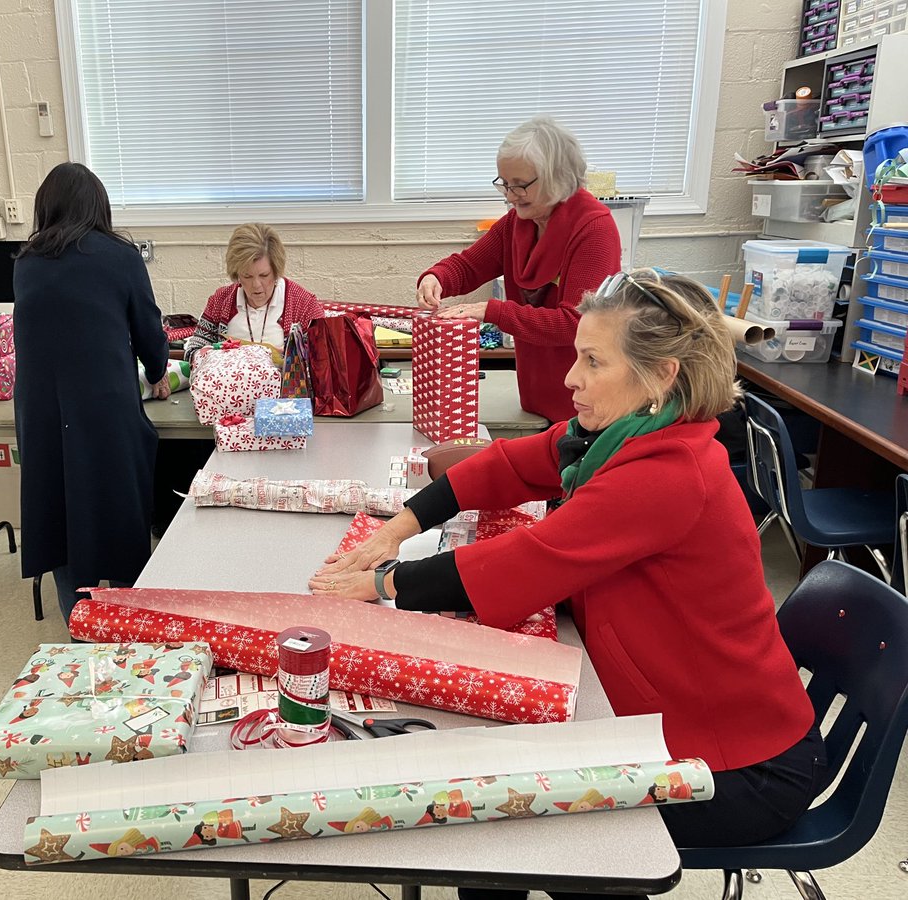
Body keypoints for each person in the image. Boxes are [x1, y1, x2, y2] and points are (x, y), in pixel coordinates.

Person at [312, 271, 825, 900]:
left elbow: (528, 561)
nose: (568, 378)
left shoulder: (670, 471)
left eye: (591, 361)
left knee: (509, 820)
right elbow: (508, 464)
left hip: (739, 764)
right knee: (500, 803)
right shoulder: (611, 437)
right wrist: (400, 526)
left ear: (661, 375)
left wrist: (381, 586)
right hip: (676, 718)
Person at [13, 162, 171, 627]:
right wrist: (159, 371)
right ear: (97, 205)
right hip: (105, 408)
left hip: (41, 412)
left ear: (47, 206)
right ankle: (128, 619)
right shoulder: (120, 256)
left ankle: (79, 625)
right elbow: (148, 328)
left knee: (58, 509)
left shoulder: (26, 262)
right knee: (120, 503)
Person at [416, 116, 621, 423]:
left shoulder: (594, 230)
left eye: (520, 185)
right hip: (537, 393)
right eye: (504, 184)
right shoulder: (519, 222)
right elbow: (469, 266)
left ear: (556, 177)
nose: (510, 195)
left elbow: (575, 324)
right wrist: (437, 277)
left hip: (585, 403)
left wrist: (492, 311)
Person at [182, 223, 324, 359]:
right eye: (247, 276)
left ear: (276, 271)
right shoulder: (220, 300)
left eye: (264, 275)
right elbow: (193, 350)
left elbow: (322, 359)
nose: (256, 285)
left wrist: (291, 358)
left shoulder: (305, 305)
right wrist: (213, 354)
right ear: (236, 274)